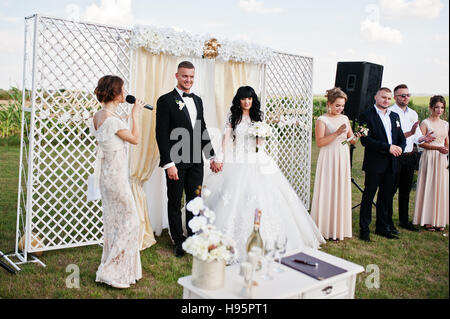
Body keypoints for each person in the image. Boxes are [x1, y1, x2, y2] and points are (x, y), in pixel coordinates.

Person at [203, 86, 325, 262]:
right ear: (239, 100)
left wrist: (261, 137)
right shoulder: (233, 118)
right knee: (234, 195)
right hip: (237, 159)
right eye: (244, 98)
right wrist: (220, 158)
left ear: (253, 100)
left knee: (262, 196)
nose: (247, 102)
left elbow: (260, 145)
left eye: (250, 98)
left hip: (257, 159)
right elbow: (225, 141)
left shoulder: (258, 118)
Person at [155, 61, 221, 258]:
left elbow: (202, 130)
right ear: (177, 76)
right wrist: (169, 164)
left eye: (191, 76)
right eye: (185, 76)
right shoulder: (166, 100)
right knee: (175, 201)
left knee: (194, 201)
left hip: (196, 162)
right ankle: (178, 240)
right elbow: (161, 134)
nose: (188, 80)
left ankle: (192, 237)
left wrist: (211, 157)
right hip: (175, 162)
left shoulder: (198, 100)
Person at [88, 75, 144, 288]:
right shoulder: (113, 121)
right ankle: (111, 270)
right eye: (122, 89)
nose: (124, 93)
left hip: (107, 177)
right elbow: (135, 139)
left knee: (114, 222)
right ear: (115, 92)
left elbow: (114, 124)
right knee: (130, 221)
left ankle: (120, 266)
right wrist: (136, 116)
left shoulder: (99, 116)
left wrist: (126, 117)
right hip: (117, 177)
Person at [310, 87, 360, 241]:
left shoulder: (345, 119)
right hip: (328, 157)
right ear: (329, 103)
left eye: (342, 106)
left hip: (342, 157)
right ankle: (324, 228)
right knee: (328, 189)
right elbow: (320, 142)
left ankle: (338, 229)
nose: (340, 109)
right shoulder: (321, 120)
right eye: (337, 105)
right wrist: (337, 133)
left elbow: (350, 140)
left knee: (340, 190)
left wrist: (357, 135)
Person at [358, 88, 406, 242]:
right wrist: (388, 147)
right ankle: (364, 229)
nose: (386, 100)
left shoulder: (395, 116)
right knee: (368, 196)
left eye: (389, 98)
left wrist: (400, 148)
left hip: (392, 163)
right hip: (374, 164)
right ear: (375, 97)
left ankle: (382, 227)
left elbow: (401, 138)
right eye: (383, 97)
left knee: (386, 197)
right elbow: (365, 140)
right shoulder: (365, 116)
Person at [388, 84, 435, 233]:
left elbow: (416, 136)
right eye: (402, 95)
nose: (406, 97)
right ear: (395, 97)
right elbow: (392, 136)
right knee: (391, 190)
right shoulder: (389, 112)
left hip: (410, 156)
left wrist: (423, 137)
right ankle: (387, 221)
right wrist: (409, 133)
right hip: (396, 156)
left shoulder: (413, 114)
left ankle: (404, 220)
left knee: (406, 190)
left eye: (408, 95)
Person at [413, 96, 449, 231]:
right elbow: (421, 143)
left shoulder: (446, 124)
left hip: (442, 158)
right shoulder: (425, 123)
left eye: (442, 107)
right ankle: (427, 219)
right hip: (429, 157)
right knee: (429, 185)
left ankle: (439, 220)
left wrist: (446, 150)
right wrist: (437, 149)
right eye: (437, 107)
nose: (439, 110)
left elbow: (447, 142)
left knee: (441, 187)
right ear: (431, 108)